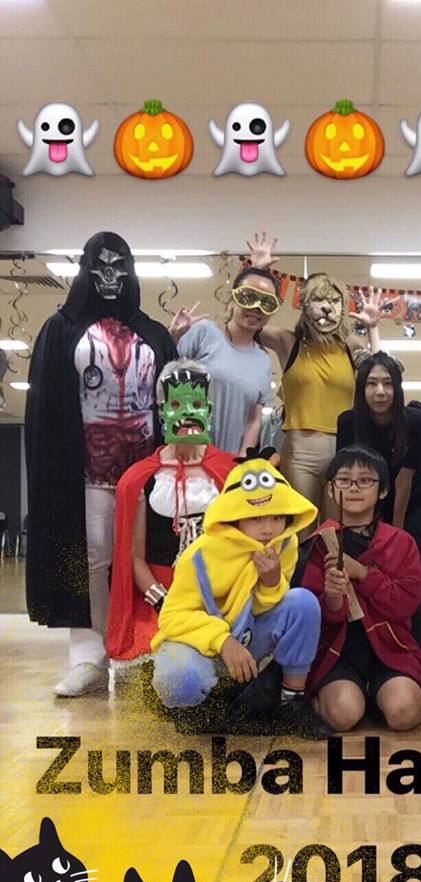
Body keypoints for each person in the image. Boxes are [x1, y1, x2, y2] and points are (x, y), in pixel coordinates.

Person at [25, 231, 176, 697]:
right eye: (100, 267)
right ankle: (89, 656)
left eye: (119, 267)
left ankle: (135, 649)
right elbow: (47, 410)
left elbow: (172, 403)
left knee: (142, 560)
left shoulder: (154, 333)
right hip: (87, 471)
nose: (110, 277)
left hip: (145, 475)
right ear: (86, 271)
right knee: (89, 559)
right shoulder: (61, 330)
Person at [150, 452, 330, 738]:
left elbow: (262, 608)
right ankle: (200, 709)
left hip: (248, 637)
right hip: (200, 644)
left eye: (277, 517)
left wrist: (271, 582)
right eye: (256, 518)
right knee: (178, 681)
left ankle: (292, 701)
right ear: (234, 515)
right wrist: (223, 641)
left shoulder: (284, 544)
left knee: (303, 603)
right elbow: (172, 617)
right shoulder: (200, 554)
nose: (268, 528)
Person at [246, 232, 383, 519]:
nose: (326, 307)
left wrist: (373, 329)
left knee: (336, 532)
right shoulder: (289, 342)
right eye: (318, 299)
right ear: (305, 305)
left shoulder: (350, 345)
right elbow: (248, 323)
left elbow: (381, 374)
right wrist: (257, 273)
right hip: (299, 450)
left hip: (343, 450)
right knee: (302, 528)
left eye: (333, 300)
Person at [106, 361, 235, 665]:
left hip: (219, 596)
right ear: (162, 410)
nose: (187, 413)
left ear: (209, 409)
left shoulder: (230, 473)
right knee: (175, 672)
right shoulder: (140, 479)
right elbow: (135, 558)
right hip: (160, 599)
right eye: (176, 404)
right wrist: (164, 602)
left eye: (197, 404)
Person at [300, 445, 421, 732]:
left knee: (404, 713)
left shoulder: (400, 542)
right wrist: (333, 598)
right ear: (331, 490)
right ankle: (331, 700)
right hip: (339, 652)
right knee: (343, 716)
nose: (354, 488)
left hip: (391, 647)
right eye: (344, 480)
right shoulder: (321, 543)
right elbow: (315, 615)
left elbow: (405, 604)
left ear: (383, 490)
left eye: (365, 480)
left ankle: (379, 695)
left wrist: (363, 574)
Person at [336, 352, 421, 559]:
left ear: (398, 388)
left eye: (388, 384)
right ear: (361, 388)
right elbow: (346, 477)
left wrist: (395, 535)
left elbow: (404, 482)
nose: (380, 392)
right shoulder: (348, 422)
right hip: (368, 496)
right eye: (371, 384)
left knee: (403, 553)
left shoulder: (418, 422)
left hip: (412, 500)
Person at [169, 264, 277, 454]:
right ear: (233, 297)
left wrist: (243, 457)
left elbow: (254, 420)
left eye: (266, 302)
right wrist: (173, 337)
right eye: (248, 297)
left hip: (229, 460)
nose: (255, 308)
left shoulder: (263, 362)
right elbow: (166, 378)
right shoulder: (204, 332)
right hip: (187, 453)